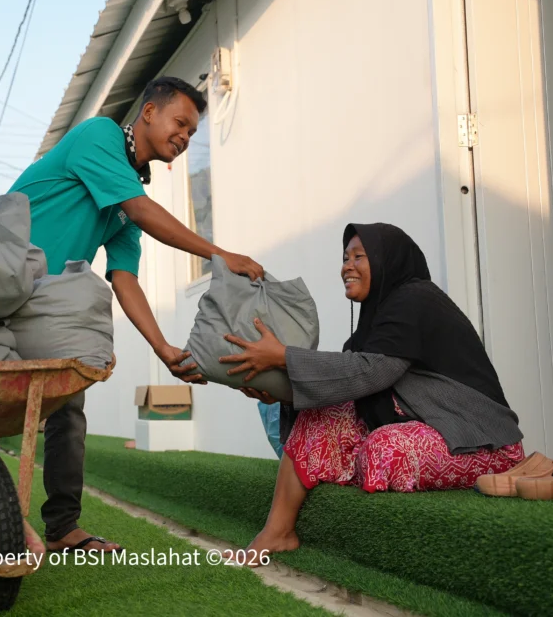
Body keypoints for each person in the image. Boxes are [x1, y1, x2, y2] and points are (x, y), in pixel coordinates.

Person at [9, 76, 264, 553]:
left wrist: (163, 347)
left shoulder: (128, 194)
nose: (185, 137)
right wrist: (219, 254)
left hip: (47, 304)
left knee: (69, 403)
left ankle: (64, 528)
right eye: (180, 123)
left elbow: (123, 278)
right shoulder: (99, 136)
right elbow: (143, 211)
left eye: (192, 132)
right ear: (148, 112)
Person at [219, 222, 525, 563]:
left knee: (383, 450)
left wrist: (284, 356)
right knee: (321, 416)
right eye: (345, 257)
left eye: (359, 256)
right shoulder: (377, 319)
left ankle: (337, 474)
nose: (347, 266)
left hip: (480, 441)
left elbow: (373, 371)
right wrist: (279, 393)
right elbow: (345, 381)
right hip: (428, 426)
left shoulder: (415, 300)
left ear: (385, 261)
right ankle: (277, 533)